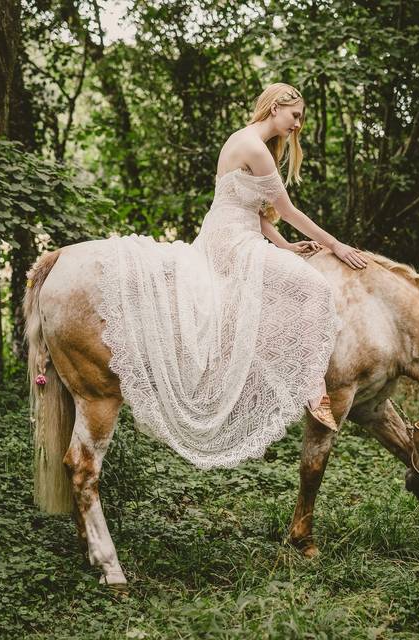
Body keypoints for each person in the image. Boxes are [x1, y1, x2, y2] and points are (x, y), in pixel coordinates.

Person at [94, 82, 367, 469]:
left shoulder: (247, 141)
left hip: (230, 230)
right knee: (316, 288)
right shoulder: (255, 146)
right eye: (296, 115)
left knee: (284, 288)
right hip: (232, 240)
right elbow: (285, 211)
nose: (299, 124)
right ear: (276, 107)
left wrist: (285, 247)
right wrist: (337, 246)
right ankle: (312, 386)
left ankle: (275, 375)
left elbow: (253, 209)